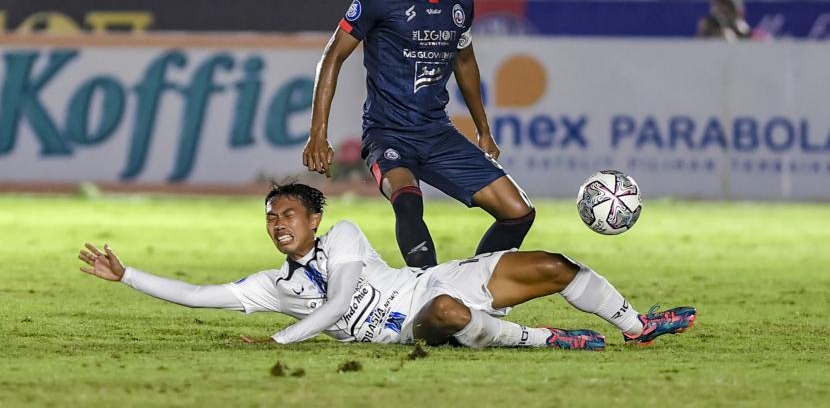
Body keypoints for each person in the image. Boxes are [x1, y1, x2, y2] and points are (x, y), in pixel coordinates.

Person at [79, 182, 697, 350]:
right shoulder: (275, 285)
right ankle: (545, 340)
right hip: (416, 321)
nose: (279, 224)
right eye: (271, 217)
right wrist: (127, 274)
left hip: (437, 278)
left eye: (289, 214)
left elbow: (336, 303)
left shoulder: (343, 236)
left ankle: (636, 326)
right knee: (448, 318)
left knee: (556, 264)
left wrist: (279, 338)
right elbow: (196, 294)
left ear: (314, 220)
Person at [303, 0, 535, 269]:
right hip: (388, 135)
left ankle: (474, 292)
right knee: (409, 203)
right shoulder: (379, 0)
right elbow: (333, 57)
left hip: (438, 135)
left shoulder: (459, 3)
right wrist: (318, 133)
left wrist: (483, 129)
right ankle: (427, 297)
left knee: (519, 212)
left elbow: (465, 61)